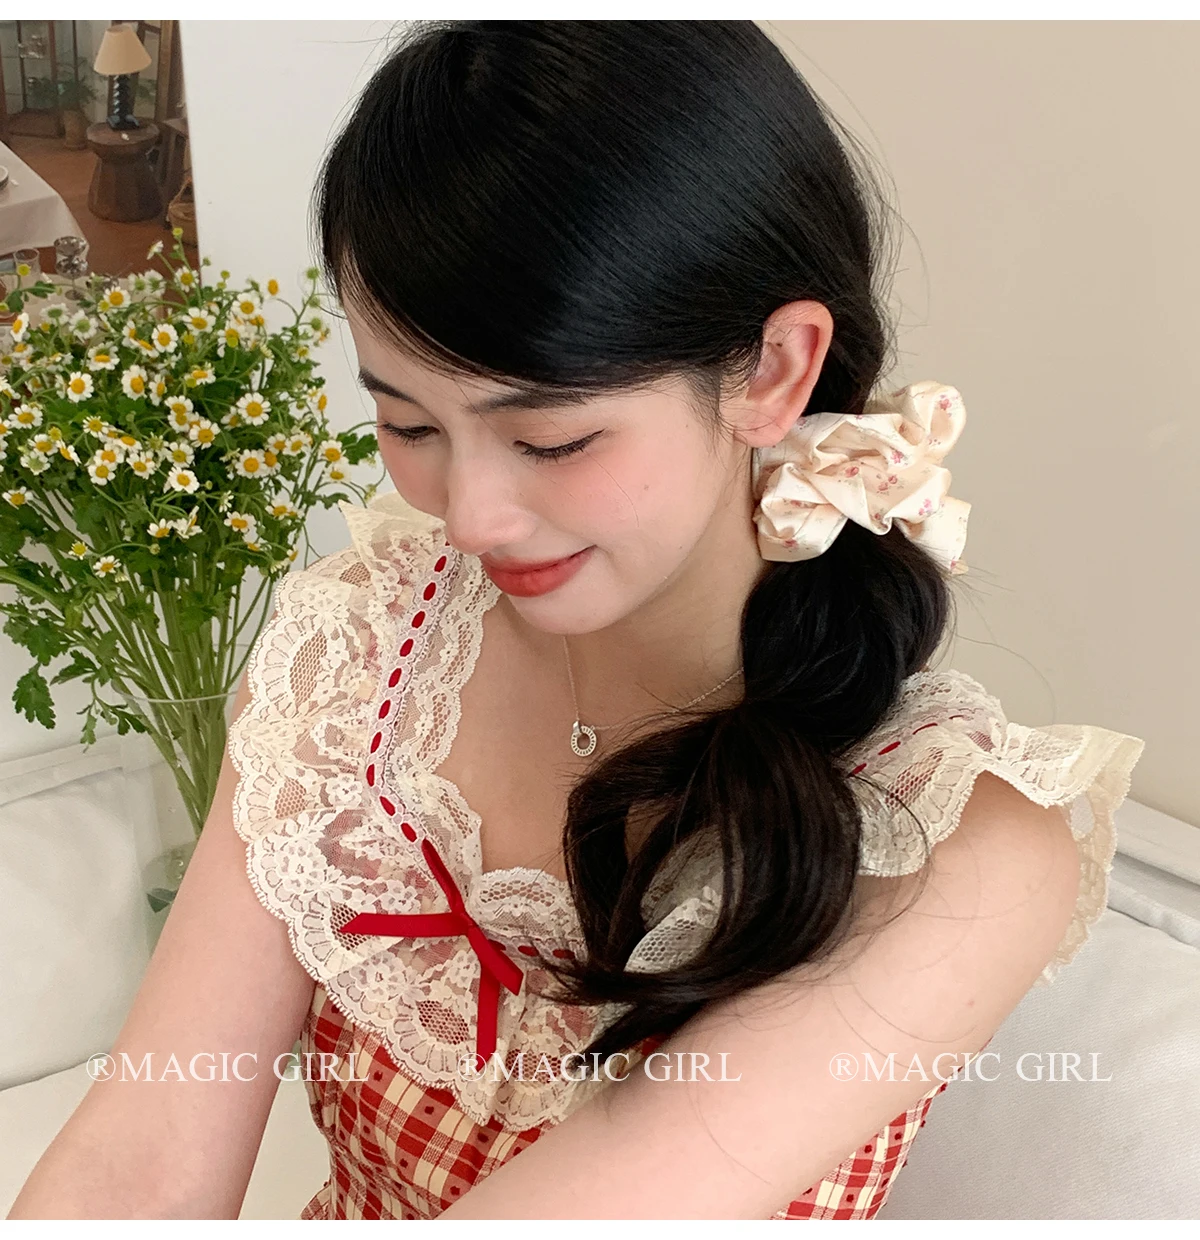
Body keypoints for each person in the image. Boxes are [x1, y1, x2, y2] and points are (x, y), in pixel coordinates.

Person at [8, 21, 1145, 1221]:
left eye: (551, 438)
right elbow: (142, 1154)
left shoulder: (952, 845)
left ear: (773, 370)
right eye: (410, 425)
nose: (470, 516)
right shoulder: (357, 657)